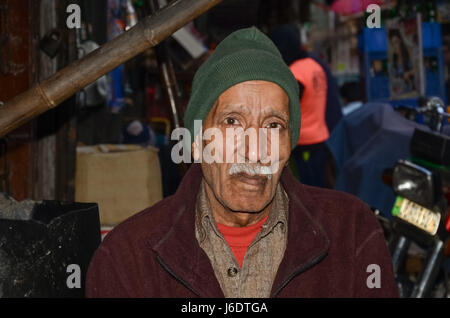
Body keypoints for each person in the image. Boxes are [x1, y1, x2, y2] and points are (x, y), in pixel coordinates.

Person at [86, 27, 398, 298]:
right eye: (232, 122)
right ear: (197, 140)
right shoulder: (127, 258)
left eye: (274, 125)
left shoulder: (353, 234)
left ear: (289, 143)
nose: (254, 151)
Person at [270, 24, 342, 188]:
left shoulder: (295, 73)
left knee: (307, 189)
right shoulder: (314, 66)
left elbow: (283, 108)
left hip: (304, 142)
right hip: (321, 137)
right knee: (320, 186)